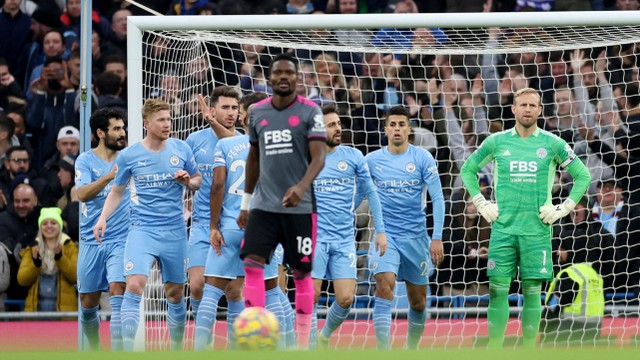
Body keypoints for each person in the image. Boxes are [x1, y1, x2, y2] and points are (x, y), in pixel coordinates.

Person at [460, 87, 591, 349]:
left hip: (537, 230)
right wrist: (480, 202)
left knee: (533, 292)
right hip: (503, 230)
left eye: (533, 105)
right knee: (498, 290)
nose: (528, 109)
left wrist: (563, 208)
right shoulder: (497, 142)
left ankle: (529, 350)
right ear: (514, 109)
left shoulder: (553, 143)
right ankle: (495, 350)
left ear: (540, 110)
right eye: (523, 105)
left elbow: (584, 176)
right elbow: (467, 169)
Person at [93, 99, 202, 351]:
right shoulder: (130, 155)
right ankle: (129, 351)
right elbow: (117, 191)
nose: (167, 124)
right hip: (142, 229)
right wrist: (102, 218)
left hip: (174, 230)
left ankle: (176, 349)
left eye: (169, 119)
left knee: (175, 293)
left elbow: (197, 181)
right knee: (133, 285)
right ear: (147, 124)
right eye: (161, 120)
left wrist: (188, 181)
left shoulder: (181, 149)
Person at [237, 53, 327, 349]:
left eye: (290, 72)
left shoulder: (310, 111)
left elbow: (319, 157)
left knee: (301, 273)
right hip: (264, 206)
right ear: (271, 77)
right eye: (279, 73)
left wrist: (301, 187)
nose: (284, 77)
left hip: (300, 208)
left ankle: (303, 346)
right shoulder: (257, 113)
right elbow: (254, 158)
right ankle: (256, 339)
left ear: (297, 77)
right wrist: (246, 203)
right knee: (252, 264)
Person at [194, 91, 288, 350]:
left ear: (243, 118)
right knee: (272, 293)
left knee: (212, 291)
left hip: (230, 227)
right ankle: (286, 348)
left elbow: (218, 184)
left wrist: (213, 226)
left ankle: (199, 351)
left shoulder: (224, 145)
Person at [364, 105, 445, 350]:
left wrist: (437, 237)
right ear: (385, 129)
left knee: (418, 303)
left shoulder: (422, 158)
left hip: (416, 238)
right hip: (385, 237)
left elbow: (438, 199)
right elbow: (357, 196)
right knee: (384, 284)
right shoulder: (372, 160)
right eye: (393, 124)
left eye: (402, 124)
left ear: (409, 129)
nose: (397, 129)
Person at [311, 104, 387, 348]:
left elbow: (370, 192)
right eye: (331, 124)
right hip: (314, 238)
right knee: (310, 297)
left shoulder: (353, 156)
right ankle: (308, 345)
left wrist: (381, 231)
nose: (338, 128)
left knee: (345, 298)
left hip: (344, 239)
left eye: (338, 124)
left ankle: (324, 336)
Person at [76, 107, 128, 351]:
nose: (122, 133)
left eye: (122, 127)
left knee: (118, 291)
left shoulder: (128, 158)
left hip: (121, 237)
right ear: (100, 132)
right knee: (88, 304)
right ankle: (95, 350)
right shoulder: (85, 160)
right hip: (90, 240)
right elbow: (82, 194)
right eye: (116, 128)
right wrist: (109, 176)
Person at [185, 86, 238, 321]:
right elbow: (186, 176)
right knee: (196, 286)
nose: (230, 113)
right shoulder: (195, 140)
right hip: (201, 223)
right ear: (212, 110)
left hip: (231, 223)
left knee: (234, 290)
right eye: (224, 107)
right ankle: (201, 339)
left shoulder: (243, 141)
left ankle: (237, 343)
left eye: (234, 108)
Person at [17, 207, 78, 312]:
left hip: (64, 313)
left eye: (53, 223)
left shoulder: (71, 248)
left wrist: (60, 258)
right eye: (44, 223)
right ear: (40, 227)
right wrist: (35, 263)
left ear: (60, 226)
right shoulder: (32, 249)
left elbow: (76, 277)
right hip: (35, 311)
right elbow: (22, 280)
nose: (49, 226)